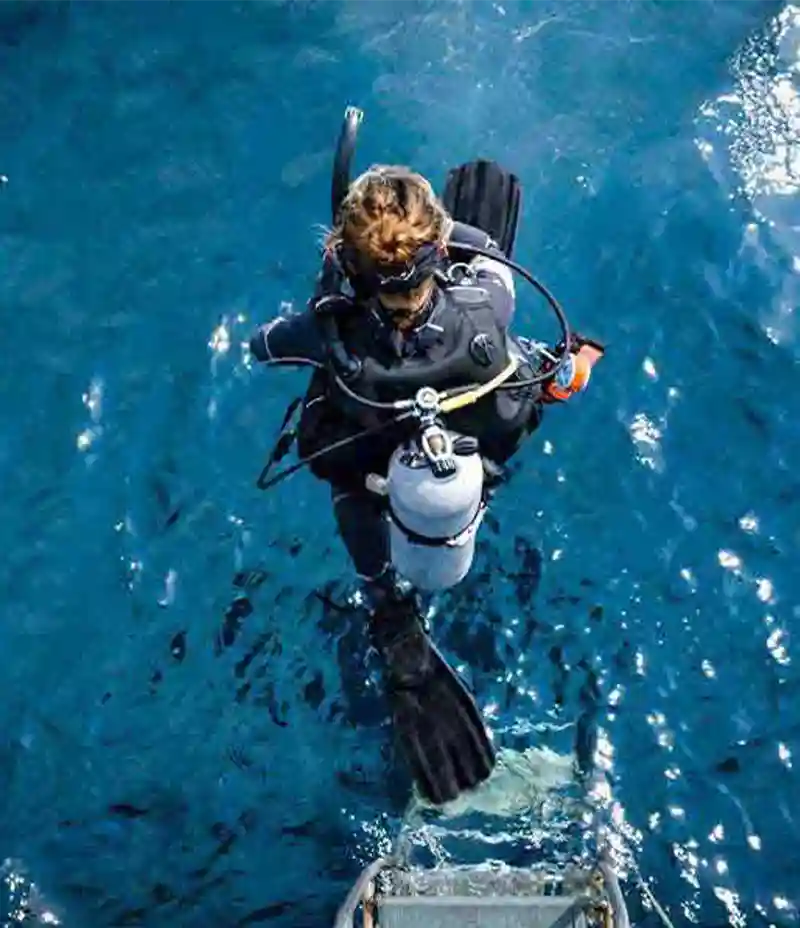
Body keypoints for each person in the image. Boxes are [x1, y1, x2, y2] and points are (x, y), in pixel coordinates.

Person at [249, 156, 603, 806]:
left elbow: (264, 344)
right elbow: (490, 255)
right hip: (472, 456)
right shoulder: (485, 308)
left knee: (348, 487)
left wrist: (332, 287)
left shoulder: (329, 335)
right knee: (516, 392)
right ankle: (474, 500)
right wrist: (457, 241)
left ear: (354, 267)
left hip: (374, 465)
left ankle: (386, 604)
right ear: (438, 251)